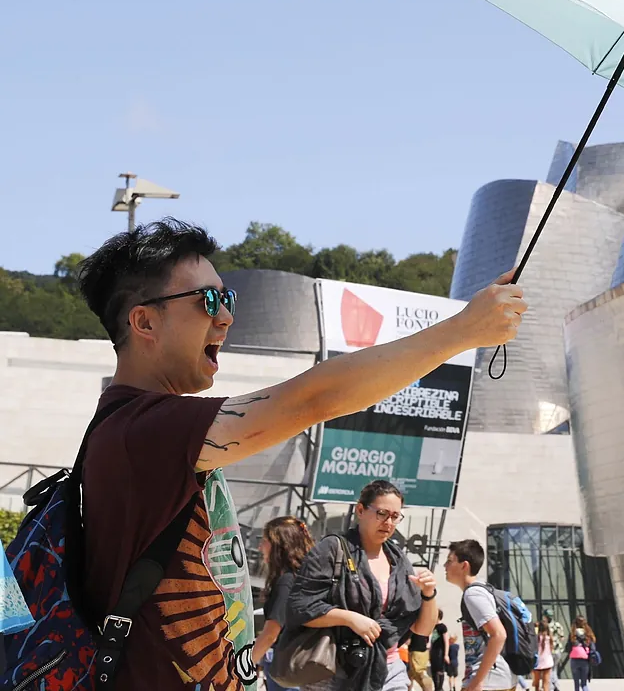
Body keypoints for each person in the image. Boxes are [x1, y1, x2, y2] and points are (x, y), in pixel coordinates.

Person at [71, 219, 525, 690]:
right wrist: (462, 332)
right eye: (208, 301)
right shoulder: (145, 428)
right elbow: (315, 398)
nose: (225, 317)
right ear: (144, 321)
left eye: (228, 299)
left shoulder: (134, 427)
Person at [290, 480, 439, 690]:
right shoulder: (332, 549)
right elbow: (301, 608)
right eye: (382, 513)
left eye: (395, 516)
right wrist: (350, 618)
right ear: (360, 510)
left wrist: (429, 594)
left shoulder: (399, 560)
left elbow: (422, 629)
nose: (388, 522)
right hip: (335, 670)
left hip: (390, 671)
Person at [444, 539, 515, 691]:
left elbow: (499, 634)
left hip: (489, 681)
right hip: (497, 679)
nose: (445, 566)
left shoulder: (473, 594)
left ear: (464, 566)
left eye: (449, 561)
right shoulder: (483, 589)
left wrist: (477, 681)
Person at [254, 516, 315, 691]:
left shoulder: (286, 582)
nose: (260, 547)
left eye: (264, 541)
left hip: (285, 667)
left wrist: (245, 665)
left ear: (279, 546)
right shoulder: (305, 577)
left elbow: (271, 633)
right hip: (302, 665)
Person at [567, 618, 596, 691]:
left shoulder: (573, 633)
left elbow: (568, 647)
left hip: (574, 660)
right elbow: (593, 647)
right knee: (584, 684)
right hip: (585, 660)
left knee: (576, 684)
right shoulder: (588, 633)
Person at [541, 612, 567, 691]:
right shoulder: (558, 625)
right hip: (558, 650)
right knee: (554, 669)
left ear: (546, 617)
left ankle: (553, 687)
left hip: (549, 651)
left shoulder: (545, 626)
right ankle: (556, 686)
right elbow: (562, 637)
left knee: (549, 670)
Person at [432, 612, 451, 691]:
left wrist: (446, 654)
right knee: (434, 670)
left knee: (440, 669)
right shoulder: (433, 627)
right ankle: (436, 687)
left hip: (440, 650)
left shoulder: (442, 627)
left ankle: (440, 688)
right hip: (434, 650)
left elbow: (446, 641)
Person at [534, 622, 556, 691]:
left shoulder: (536, 638)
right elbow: (552, 649)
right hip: (547, 662)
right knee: (546, 683)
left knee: (537, 685)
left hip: (537, 662)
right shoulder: (550, 638)